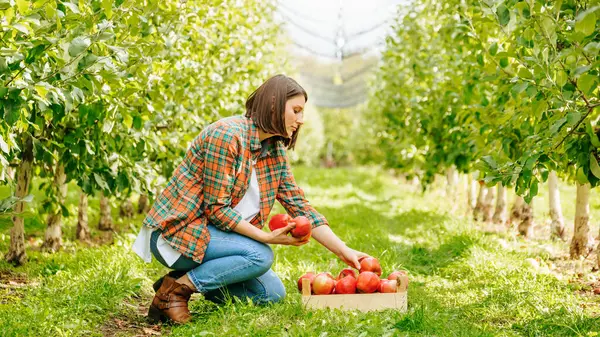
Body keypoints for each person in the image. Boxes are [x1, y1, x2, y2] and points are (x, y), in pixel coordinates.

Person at [132, 74, 369, 324]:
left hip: (216, 239)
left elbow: (300, 206)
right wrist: (266, 237)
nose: (301, 119)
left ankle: (181, 280)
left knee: (271, 294)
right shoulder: (227, 136)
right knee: (260, 255)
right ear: (274, 104)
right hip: (181, 233)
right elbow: (217, 210)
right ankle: (176, 292)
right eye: (296, 110)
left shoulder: (274, 150)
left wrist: (344, 251)